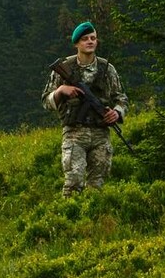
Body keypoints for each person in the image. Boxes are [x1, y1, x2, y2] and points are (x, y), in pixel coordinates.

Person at [41, 20, 129, 196]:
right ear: (76, 43)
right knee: (73, 183)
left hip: (100, 133)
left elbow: (122, 98)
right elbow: (46, 100)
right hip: (74, 133)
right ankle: (71, 218)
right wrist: (60, 91)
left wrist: (116, 113)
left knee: (97, 186)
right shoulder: (64, 69)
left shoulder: (107, 69)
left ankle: (94, 220)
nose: (90, 42)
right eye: (85, 39)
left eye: (93, 38)